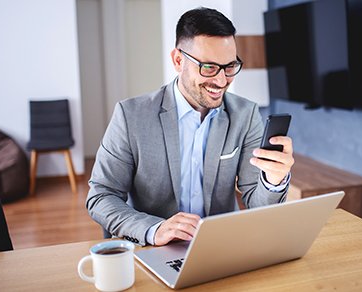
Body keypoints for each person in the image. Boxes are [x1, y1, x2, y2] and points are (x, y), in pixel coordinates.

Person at [86, 7, 294, 246]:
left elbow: (257, 205)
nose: (221, 80)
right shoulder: (130, 116)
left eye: (229, 67)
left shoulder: (245, 115)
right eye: (209, 67)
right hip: (155, 248)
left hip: (221, 247)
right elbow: (101, 196)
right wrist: (154, 229)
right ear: (178, 60)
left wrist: (273, 180)